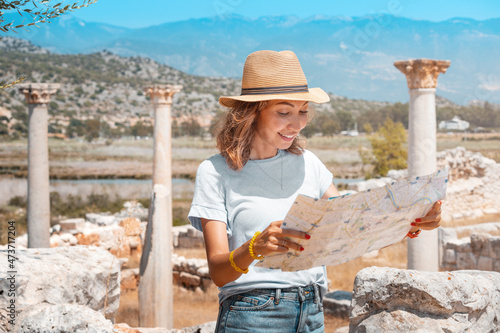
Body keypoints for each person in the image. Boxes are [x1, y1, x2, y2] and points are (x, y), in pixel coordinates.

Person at [188, 50, 442, 332]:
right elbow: (219, 273)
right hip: (251, 315)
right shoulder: (214, 172)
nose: (296, 124)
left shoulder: (309, 163)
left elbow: (352, 223)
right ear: (251, 112)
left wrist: (406, 221)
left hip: (312, 311)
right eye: (284, 112)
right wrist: (254, 247)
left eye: (303, 111)